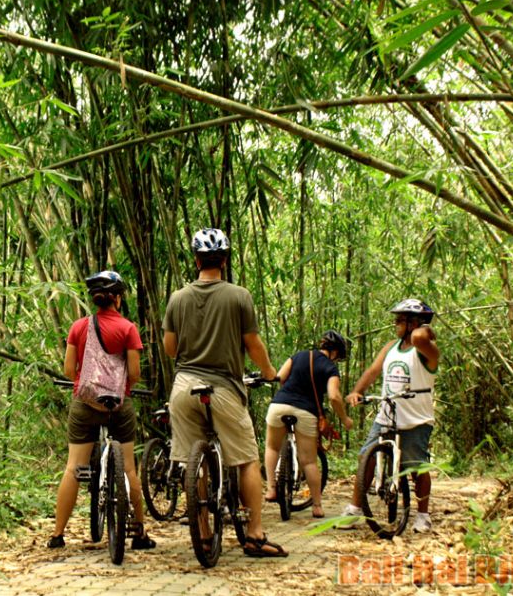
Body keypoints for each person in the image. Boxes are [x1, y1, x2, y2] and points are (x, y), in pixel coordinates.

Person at [163, 228, 287, 558]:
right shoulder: (239, 296)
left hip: (184, 387)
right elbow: (253, 344)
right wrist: (269, 372)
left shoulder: (177, 298)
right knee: (247, 458)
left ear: (196, 260)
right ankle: (255, 534)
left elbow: (170, 348)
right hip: (224, 387)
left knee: (195, 461)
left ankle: (202, 533)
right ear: (225, 260)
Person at [48, 270, 155, 551]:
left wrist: (89, 383)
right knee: (129, 468)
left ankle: (58, 535)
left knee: (73, 468)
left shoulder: (78, 327)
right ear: (117, 299)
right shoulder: (128, 329)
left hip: (84, 404)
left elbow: (69, 370)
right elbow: (134, 374)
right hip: (119, 405)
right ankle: (140, 533)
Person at [339, 299, 439, 533]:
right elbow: (373, 371)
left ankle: (423, 515)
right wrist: (357, 391)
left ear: (415, 323)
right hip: (387, 414)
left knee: (417, 467)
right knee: (366, 457)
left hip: (415, 418)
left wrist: (423, 328)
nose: (395, 324)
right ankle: (355, 509)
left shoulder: (426, 350)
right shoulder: (391, 347)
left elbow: (420, 339)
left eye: (401, 320)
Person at [263, 330, 354, 518]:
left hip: (279, 405)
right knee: (309, 461)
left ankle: (271, 489)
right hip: (306, 411)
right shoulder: (330, 368)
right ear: (335, 352)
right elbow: (334, 396)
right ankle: (317, 506)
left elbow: (280, 377)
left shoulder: (299, 356)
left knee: (272, 447)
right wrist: (344, 418)